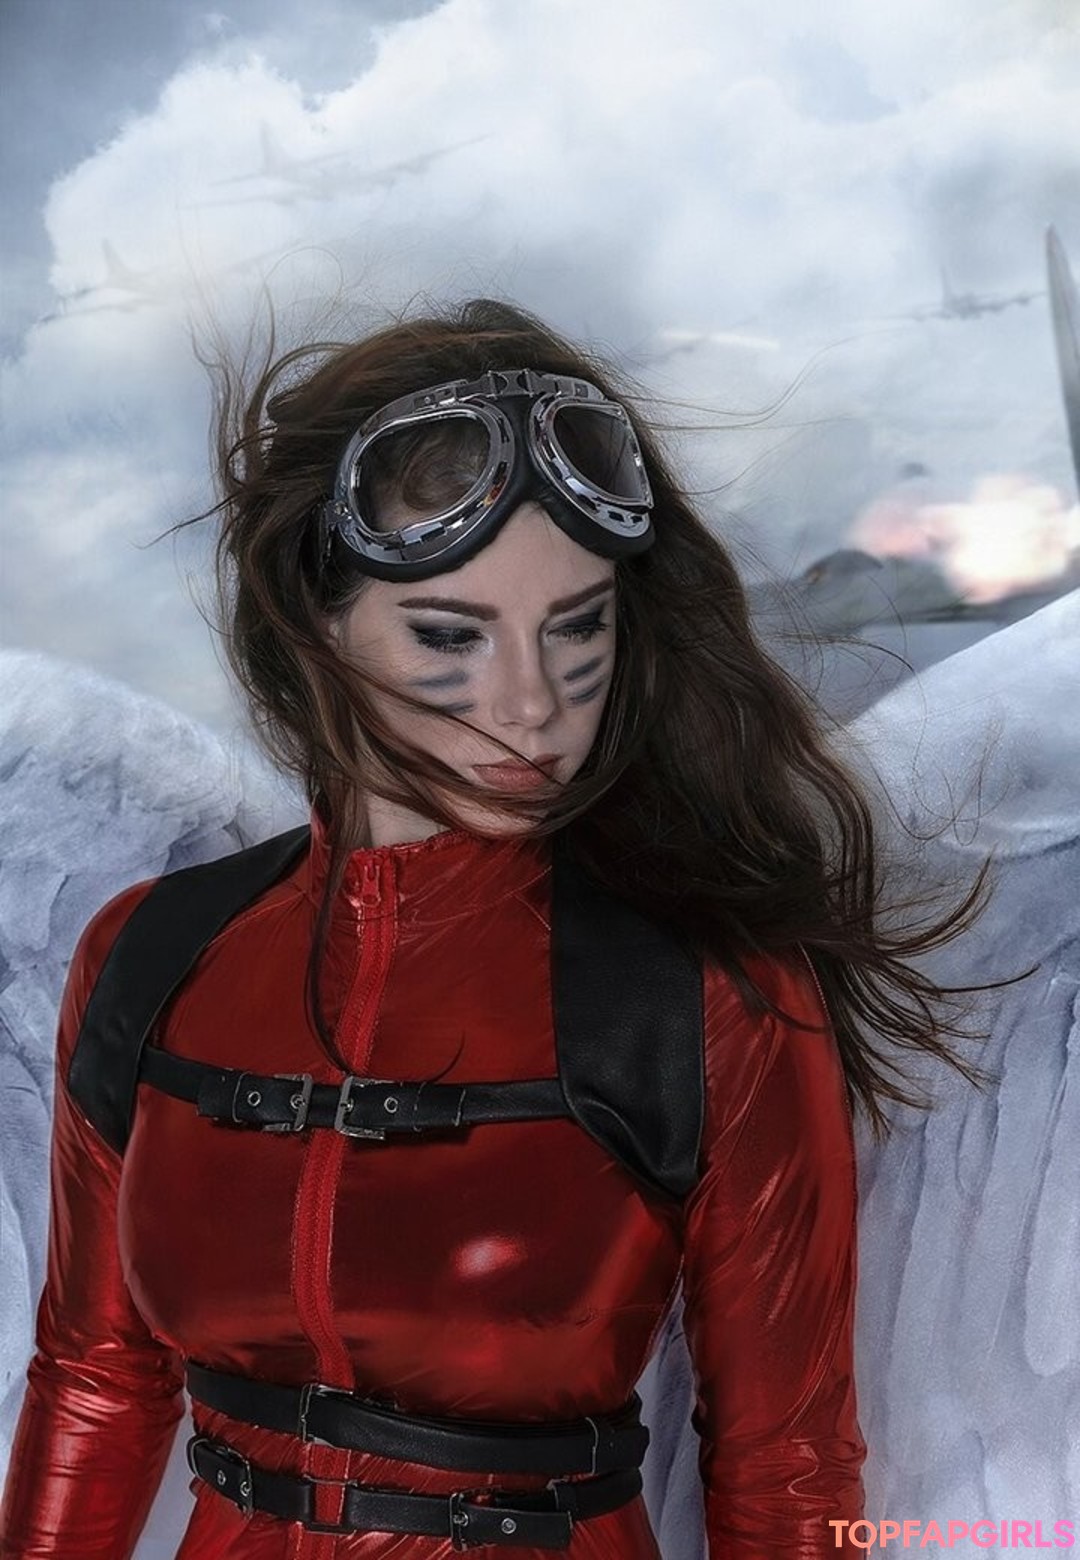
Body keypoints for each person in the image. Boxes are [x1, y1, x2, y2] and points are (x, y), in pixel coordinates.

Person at [0, 298, 994, 1558]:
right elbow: (94, 1379)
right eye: (449, 635)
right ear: (316, 621)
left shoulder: (703, 994)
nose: (531, 705)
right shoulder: (151, 954)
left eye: (577, 625)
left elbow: (789, 1466)